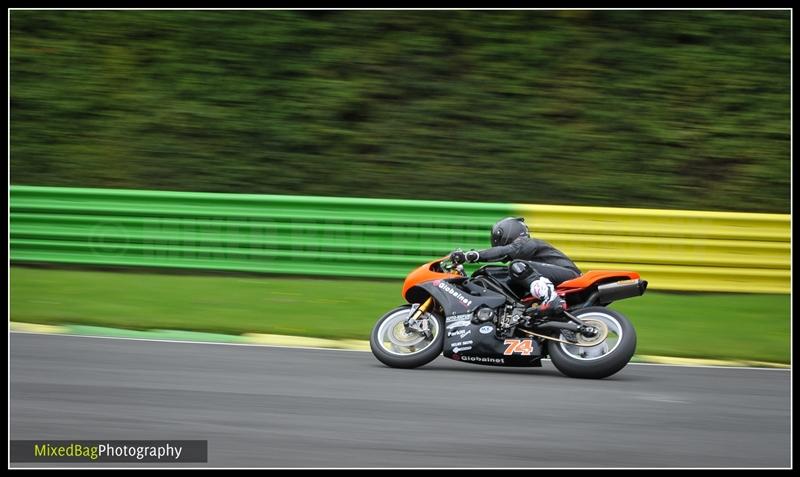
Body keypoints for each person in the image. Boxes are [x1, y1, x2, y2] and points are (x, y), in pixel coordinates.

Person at [449, 217, 580, 316]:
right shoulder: (524, 252)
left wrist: (471, 255)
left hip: (568, 275)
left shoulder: (526, 243)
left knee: (517, 266)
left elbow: (506, 251)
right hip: (559, 278)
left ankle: (551, 298)